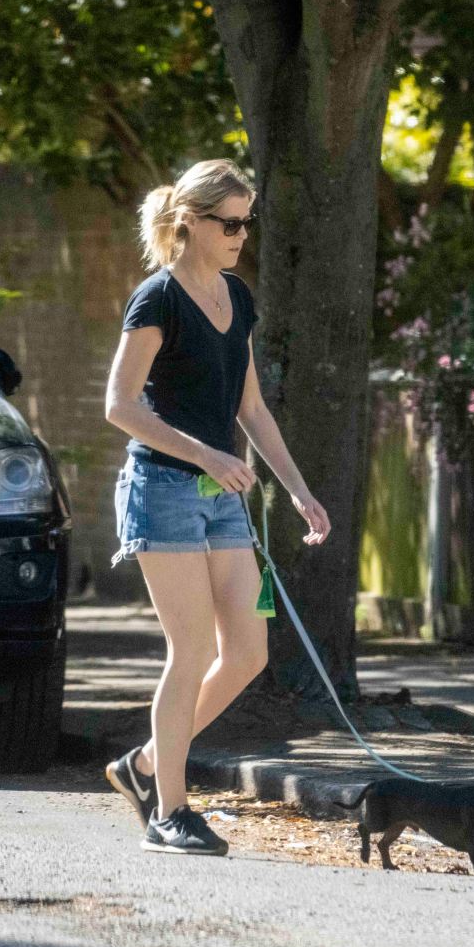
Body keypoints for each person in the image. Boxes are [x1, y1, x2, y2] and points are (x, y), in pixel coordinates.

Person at [103, 159, 331, 855]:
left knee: (247, 652)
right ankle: (170, 808)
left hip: (220, 494)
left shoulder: (238, 296)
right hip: (163, 489)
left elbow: (251, 407)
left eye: (245, 222)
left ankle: (145, 764)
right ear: (191, 223)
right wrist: (206, 454)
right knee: (192, 648)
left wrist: (297, 488)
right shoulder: (157, 298)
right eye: (228, 223)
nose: (239, 234)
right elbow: (118, 406)